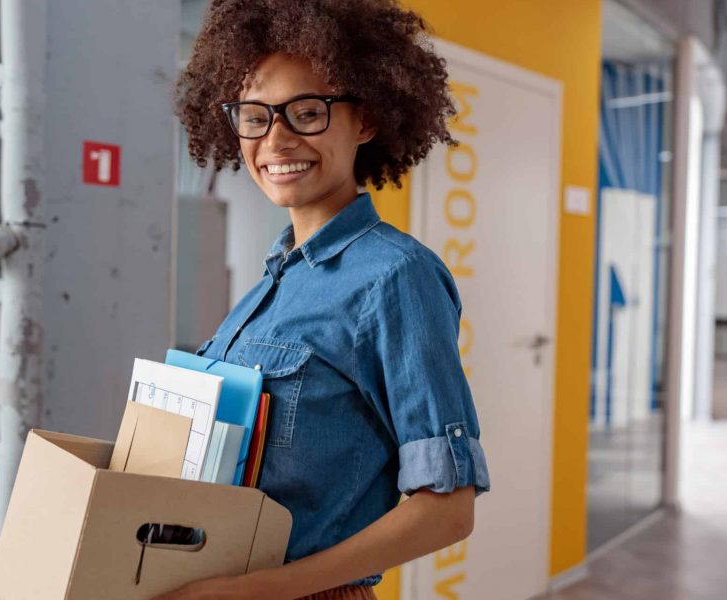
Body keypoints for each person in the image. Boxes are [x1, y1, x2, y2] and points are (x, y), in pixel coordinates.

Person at [158, 1, 489, 598]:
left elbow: (448, 509)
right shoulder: (275, 280)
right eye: (254, 116)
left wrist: (261, 590)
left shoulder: (397, 277)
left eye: (307, 112)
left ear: (364, 120)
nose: (275, 139)